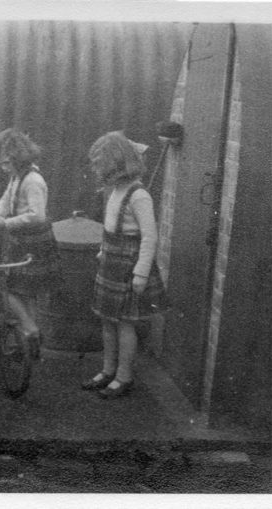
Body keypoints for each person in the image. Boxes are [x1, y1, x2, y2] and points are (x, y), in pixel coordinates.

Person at [82, 131, 168, 399]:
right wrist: (101, 250)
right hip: (111, 261)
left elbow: (150, 237)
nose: (96, 170)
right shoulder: (115, 190)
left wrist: (141, 273)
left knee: (125, 325)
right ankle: (108, 371)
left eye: (100, 165)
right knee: (107, 321)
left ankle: (124, 376)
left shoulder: (139, 195)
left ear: (115, 164)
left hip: (130, 266)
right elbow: (110, 228)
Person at [0, 128, 58, 358]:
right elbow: (4, 202)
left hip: (33, 243)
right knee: (24, 293)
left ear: (18, 158)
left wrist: (4, 224)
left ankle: (30, 329)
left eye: (5, 163)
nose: (2, 168)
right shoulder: (17, 177)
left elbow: (37, 216)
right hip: (21, 241)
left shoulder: (33, 181)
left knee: (8, 289)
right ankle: (30, 341)